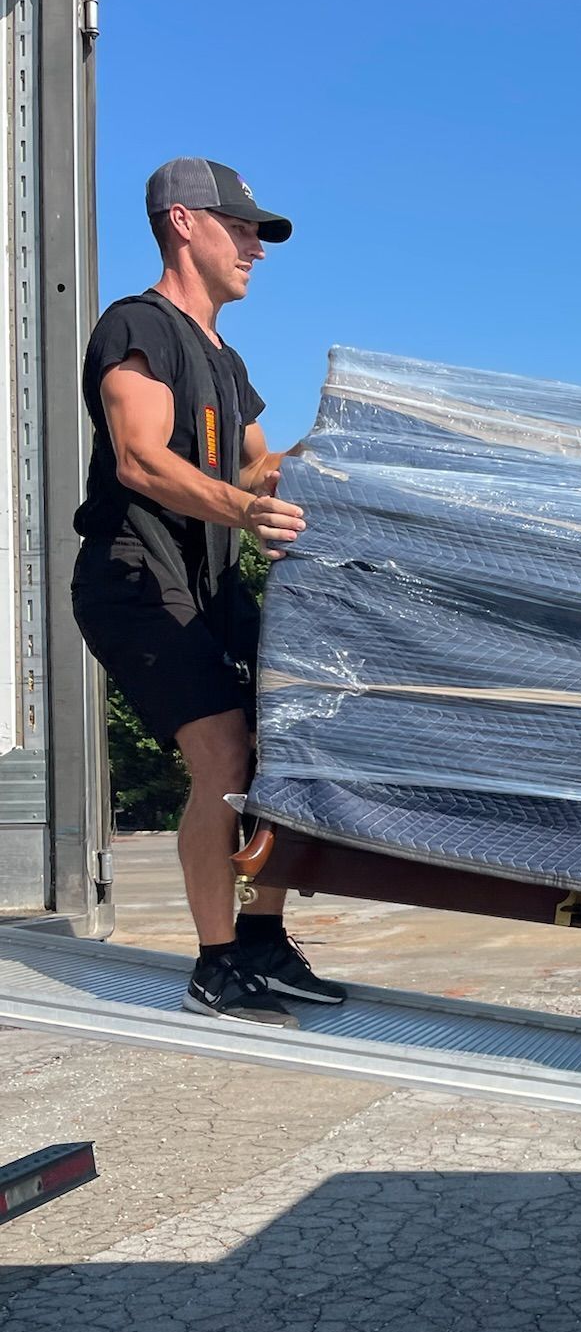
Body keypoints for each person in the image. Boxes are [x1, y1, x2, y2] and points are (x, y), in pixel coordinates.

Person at [71, 157, 344, 1027]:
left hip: (210, 580)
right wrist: (242, 507)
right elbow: (140, 459)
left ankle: (263, 944)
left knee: (279, 746)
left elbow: (262, 464)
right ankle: (216, 964)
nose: (256, 249)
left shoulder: (225, 358)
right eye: (242, 230)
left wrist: (358, 448)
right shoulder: (135, 328)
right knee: (224, 754)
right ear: (184, 223)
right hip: (136, 577)